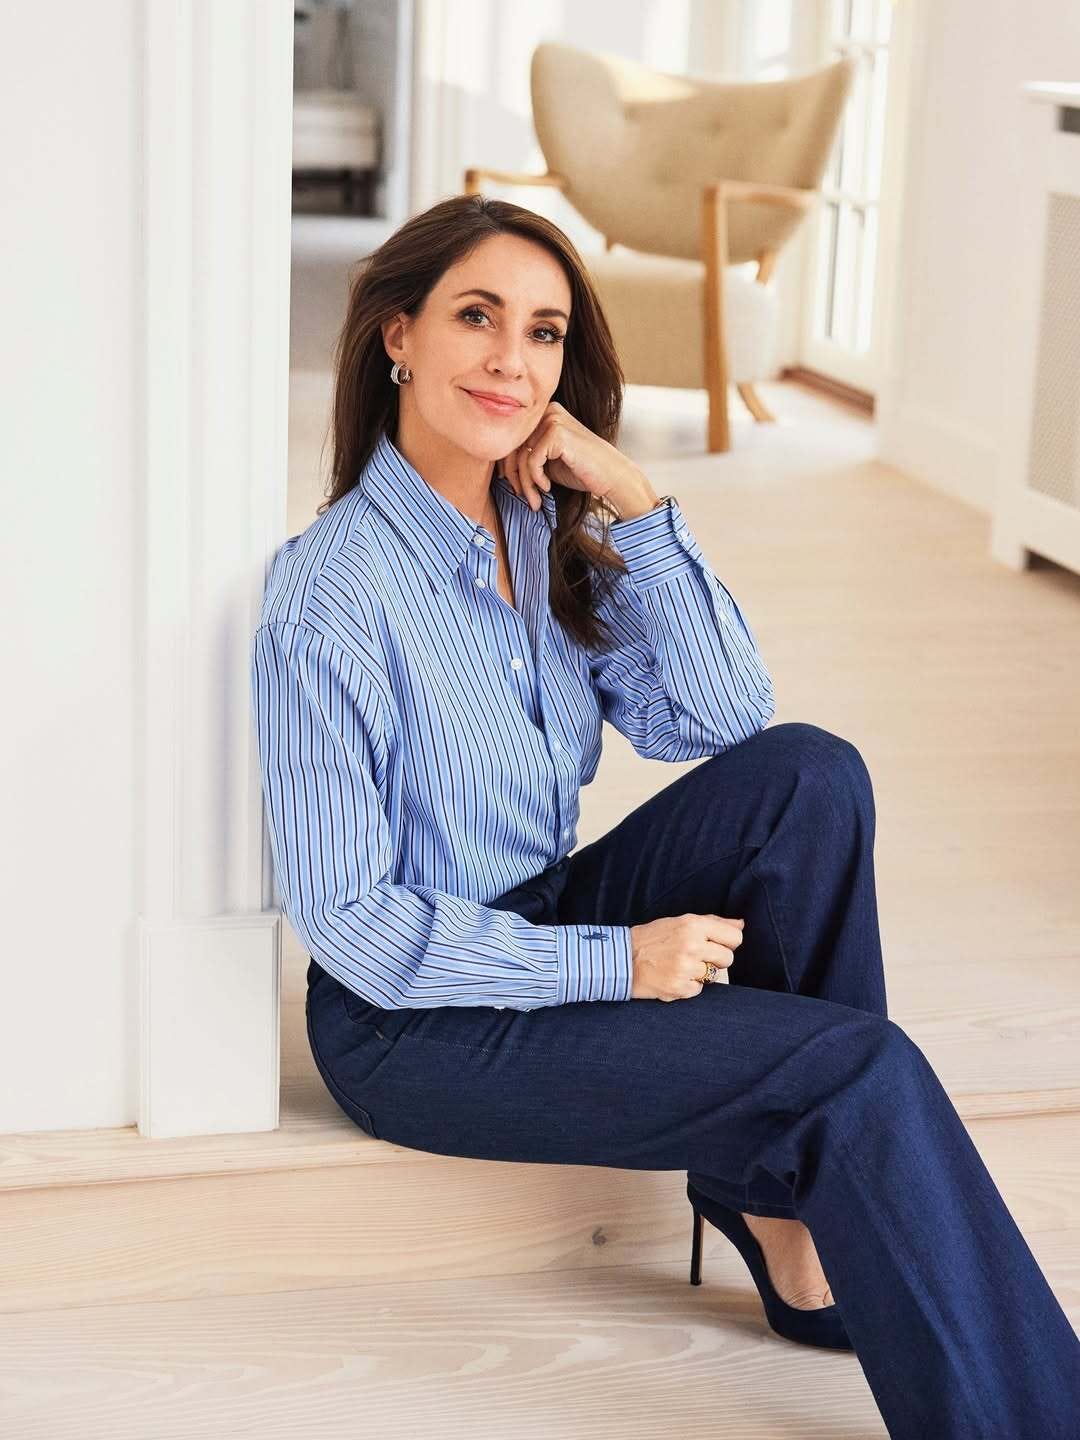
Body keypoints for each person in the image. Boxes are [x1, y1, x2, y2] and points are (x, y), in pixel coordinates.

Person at [250, 193, 1080, 1437]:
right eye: (477, 318)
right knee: (856, 1068)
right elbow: (356, 926)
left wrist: (632, 496)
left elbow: (724, 718)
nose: (510, 361)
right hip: (411, 1026)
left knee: (811, 774)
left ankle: (783, 1204)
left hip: (536, 913)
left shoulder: (533, 527)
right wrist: (615, 963)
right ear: (398, 336)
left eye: (542, 333)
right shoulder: (329, 596)